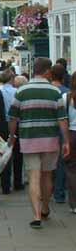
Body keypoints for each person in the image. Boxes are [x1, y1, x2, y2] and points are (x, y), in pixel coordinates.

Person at [8, 57, 70, 229]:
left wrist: (12, 136)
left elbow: (13, 117)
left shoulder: (21, 91)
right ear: (47, 71)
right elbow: (62, 119)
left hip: (29, 139)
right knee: (47, 175)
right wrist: (66, 141)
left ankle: (36, 216)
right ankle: (45, 207)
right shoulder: (54, 92)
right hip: (50, 139)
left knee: (33, 176)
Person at [51, 63, 69, 204]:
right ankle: (59, 193)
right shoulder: (66, 93)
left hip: (48, 130)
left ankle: (48, 190)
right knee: (61, 163)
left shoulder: (47, 90)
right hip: (62, 130)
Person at [63, 73, 76, 214]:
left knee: (72, 170)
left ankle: (74, 203)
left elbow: (62, 119)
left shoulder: (66, 97)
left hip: (72, 135)